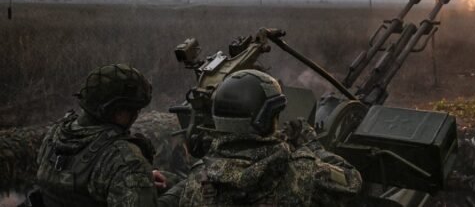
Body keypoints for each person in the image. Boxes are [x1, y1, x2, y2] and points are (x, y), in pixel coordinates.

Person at [179, 69, 362, 207]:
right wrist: (312, 146)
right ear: (264, 119)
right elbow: (352, 181)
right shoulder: (301, 170)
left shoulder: (198, 178)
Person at [33, 64, 182, 207]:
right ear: (118, 112)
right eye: (134, 110)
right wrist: (184, 189)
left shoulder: (56, 134)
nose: (136, 115)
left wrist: (136, 180)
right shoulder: (124, 158)